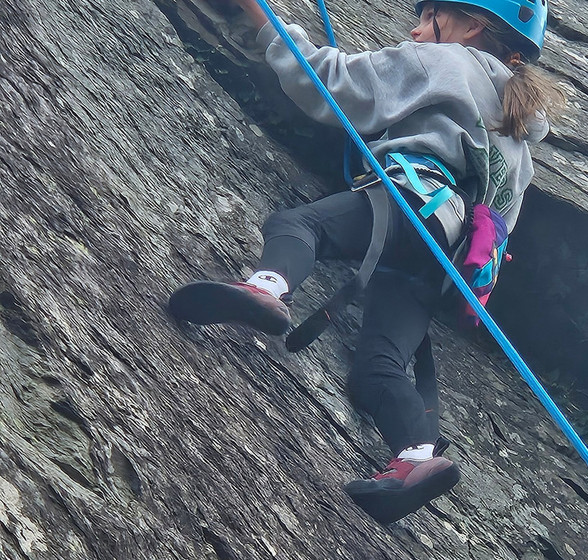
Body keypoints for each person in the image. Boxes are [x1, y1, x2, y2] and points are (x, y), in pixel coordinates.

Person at [169, 0, 564, 523]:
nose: (416, 31)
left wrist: (260, 17)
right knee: (380, 367)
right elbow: (500, 225)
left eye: (430, 16)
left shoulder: (442, 61)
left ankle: (267, 289)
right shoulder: (520, 144)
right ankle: (416, 457)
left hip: (413, 202)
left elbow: (332, 81)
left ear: (472, 26)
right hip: (447, 259)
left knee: (299, 226)